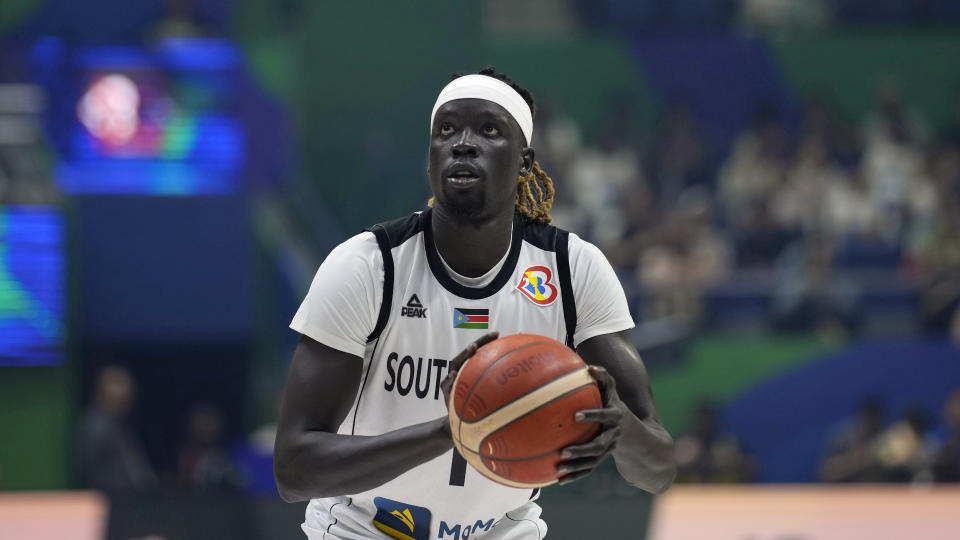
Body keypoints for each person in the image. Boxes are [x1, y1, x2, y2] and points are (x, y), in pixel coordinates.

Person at [274, 67, 675, 540]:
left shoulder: (574, 271)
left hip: (504, 532)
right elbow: (294, 471)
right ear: (430, 159)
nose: (462, 143)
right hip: (365, 530)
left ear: (526, 162)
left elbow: (658, 469)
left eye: (488, 130)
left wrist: (619, 428)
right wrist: (452, 431)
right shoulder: (368, 266)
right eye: (446, 130)